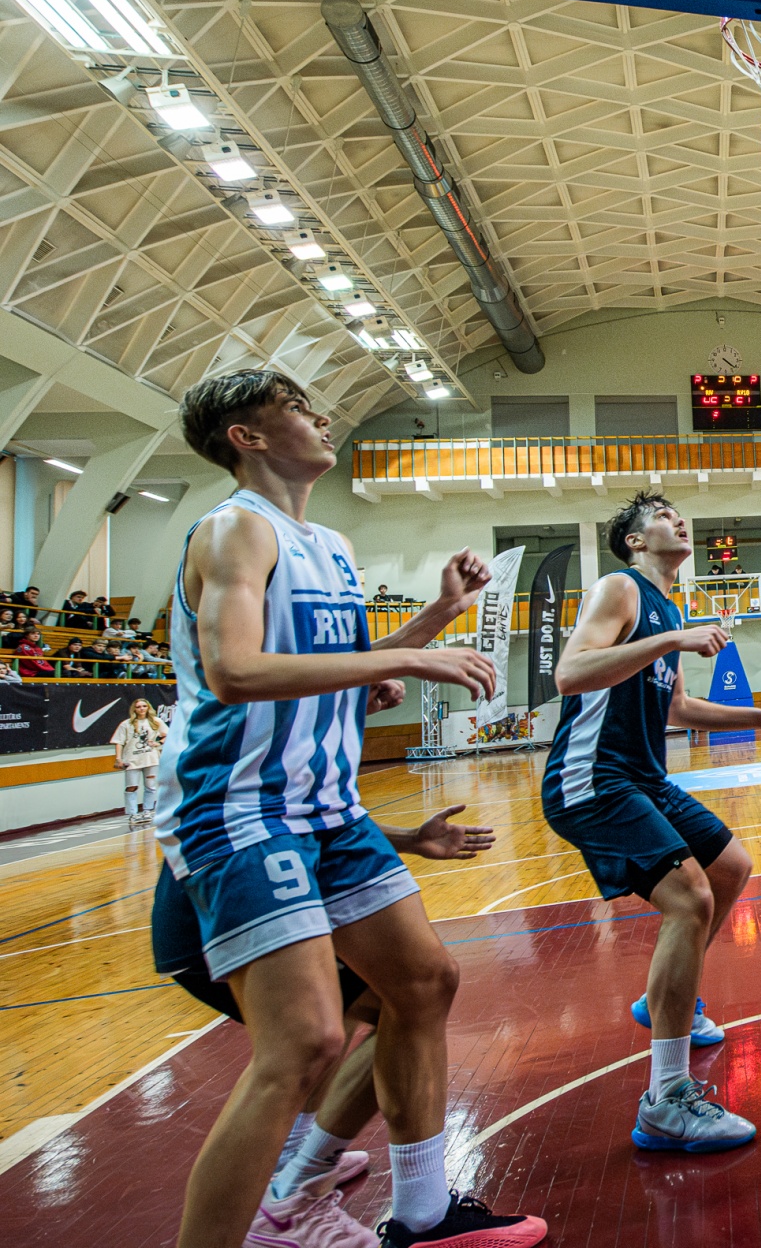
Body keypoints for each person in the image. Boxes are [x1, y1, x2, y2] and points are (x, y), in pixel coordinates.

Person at [158, 368, 543, 1248]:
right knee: (303, 1045)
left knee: (423, 983)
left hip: (329, 809)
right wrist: (402, 663)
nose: (321, 416)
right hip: (243, 807)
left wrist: (439, 616)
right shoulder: (234, 530)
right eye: (297, 407)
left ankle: (424, 1213)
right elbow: (235, 671)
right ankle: (265, 1218)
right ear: (247, 436)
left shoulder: (328, 544)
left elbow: (341, 671)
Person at [546, 490, 761, 1153]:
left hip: (643, 776)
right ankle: (666, 1099)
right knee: (690, 899)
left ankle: (667, 1002)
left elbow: (677, 710)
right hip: (592, 777)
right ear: (636, 541)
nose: (680, 520)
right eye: (664, 516)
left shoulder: (668, 607)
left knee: (730, 867)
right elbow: (569, 674)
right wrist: (671, 638)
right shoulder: (621, 589)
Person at [151, 802, 495, 1247]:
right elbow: (269, 800)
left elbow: (318, 803)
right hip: (231, 872)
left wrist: (409, 839)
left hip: (292, 850)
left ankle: (304, 1173)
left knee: (418, 991)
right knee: (311, 1039)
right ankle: (291, 1183)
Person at [112, 696, 165, 825]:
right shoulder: (126, 724)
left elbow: (167, 735)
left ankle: (148, 811)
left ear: (148, 708)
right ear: (134, 709)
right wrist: (118, 758)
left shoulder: (156, 721)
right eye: (138, 707)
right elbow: (119, 742)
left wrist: (158, 743)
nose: (141, 709)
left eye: (144, 706)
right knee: (131, 787)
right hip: (132, 759)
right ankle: (132, 813)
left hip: (151, 759)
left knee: (151, 786)